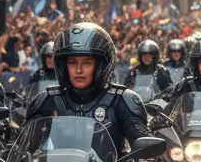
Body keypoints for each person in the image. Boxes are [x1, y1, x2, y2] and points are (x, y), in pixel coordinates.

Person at [24, 23, 149, 151]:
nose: (78, 70)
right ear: (63, 66)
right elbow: (24, 150)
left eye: (87, 63)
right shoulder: (47, 100)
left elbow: (145, 150)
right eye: (72, 63)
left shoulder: (122, 100)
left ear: (101, 66)